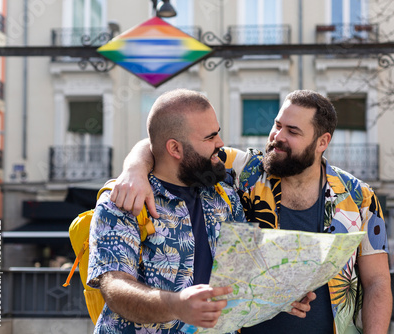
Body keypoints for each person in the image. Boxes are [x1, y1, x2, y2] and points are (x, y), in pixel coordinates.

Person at [111, 90, 392, 334]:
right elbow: (170, 145)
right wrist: (134, 169)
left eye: (292, 131)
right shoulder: (244, 170)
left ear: (322, 142)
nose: (277, 137)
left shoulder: (360, 198)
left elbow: (377, 281)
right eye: (277, 124)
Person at [87, 89, 315, 334]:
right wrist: (176, 305)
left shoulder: (225, 197)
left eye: (218, 133)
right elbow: (115, 288)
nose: (220, 143)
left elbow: (244, 273)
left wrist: (280, 295)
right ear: (175, 149)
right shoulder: (124, 199)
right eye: (210, 137)